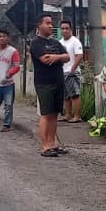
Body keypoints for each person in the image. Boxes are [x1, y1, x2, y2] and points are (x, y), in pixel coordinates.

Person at [29, 14, 70, 157]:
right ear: (39, 25)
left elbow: (67, 57)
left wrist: (56, 57)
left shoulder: (55, 43)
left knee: (54, 114)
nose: (51, 26)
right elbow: (45, 59)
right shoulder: (36, 43)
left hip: (58, 80)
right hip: (44, 83)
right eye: (47, 23)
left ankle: (53, 143)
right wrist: (58, 58)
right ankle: (45, 146)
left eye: (52, 23)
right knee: (46, 114)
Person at [0, 29, 20, 132]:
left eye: (4, 36)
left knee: (8, 106)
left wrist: (9, 73)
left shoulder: (13, 51)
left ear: (8, 38)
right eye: (0, 36)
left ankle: (6, 125)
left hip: (8, 84)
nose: (2, 38)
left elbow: (17, 66)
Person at [59, 20, 85, 123]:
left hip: (72, 73)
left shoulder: (75, 41)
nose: (64, 30)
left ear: (71, 29)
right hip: (62, 72)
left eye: (67, 28)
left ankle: (77, 116)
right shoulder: (60, 42)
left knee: (75, 95)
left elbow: (80, 55)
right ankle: (68, 115)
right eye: (63, 28)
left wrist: (73, 69)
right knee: (66, 96)